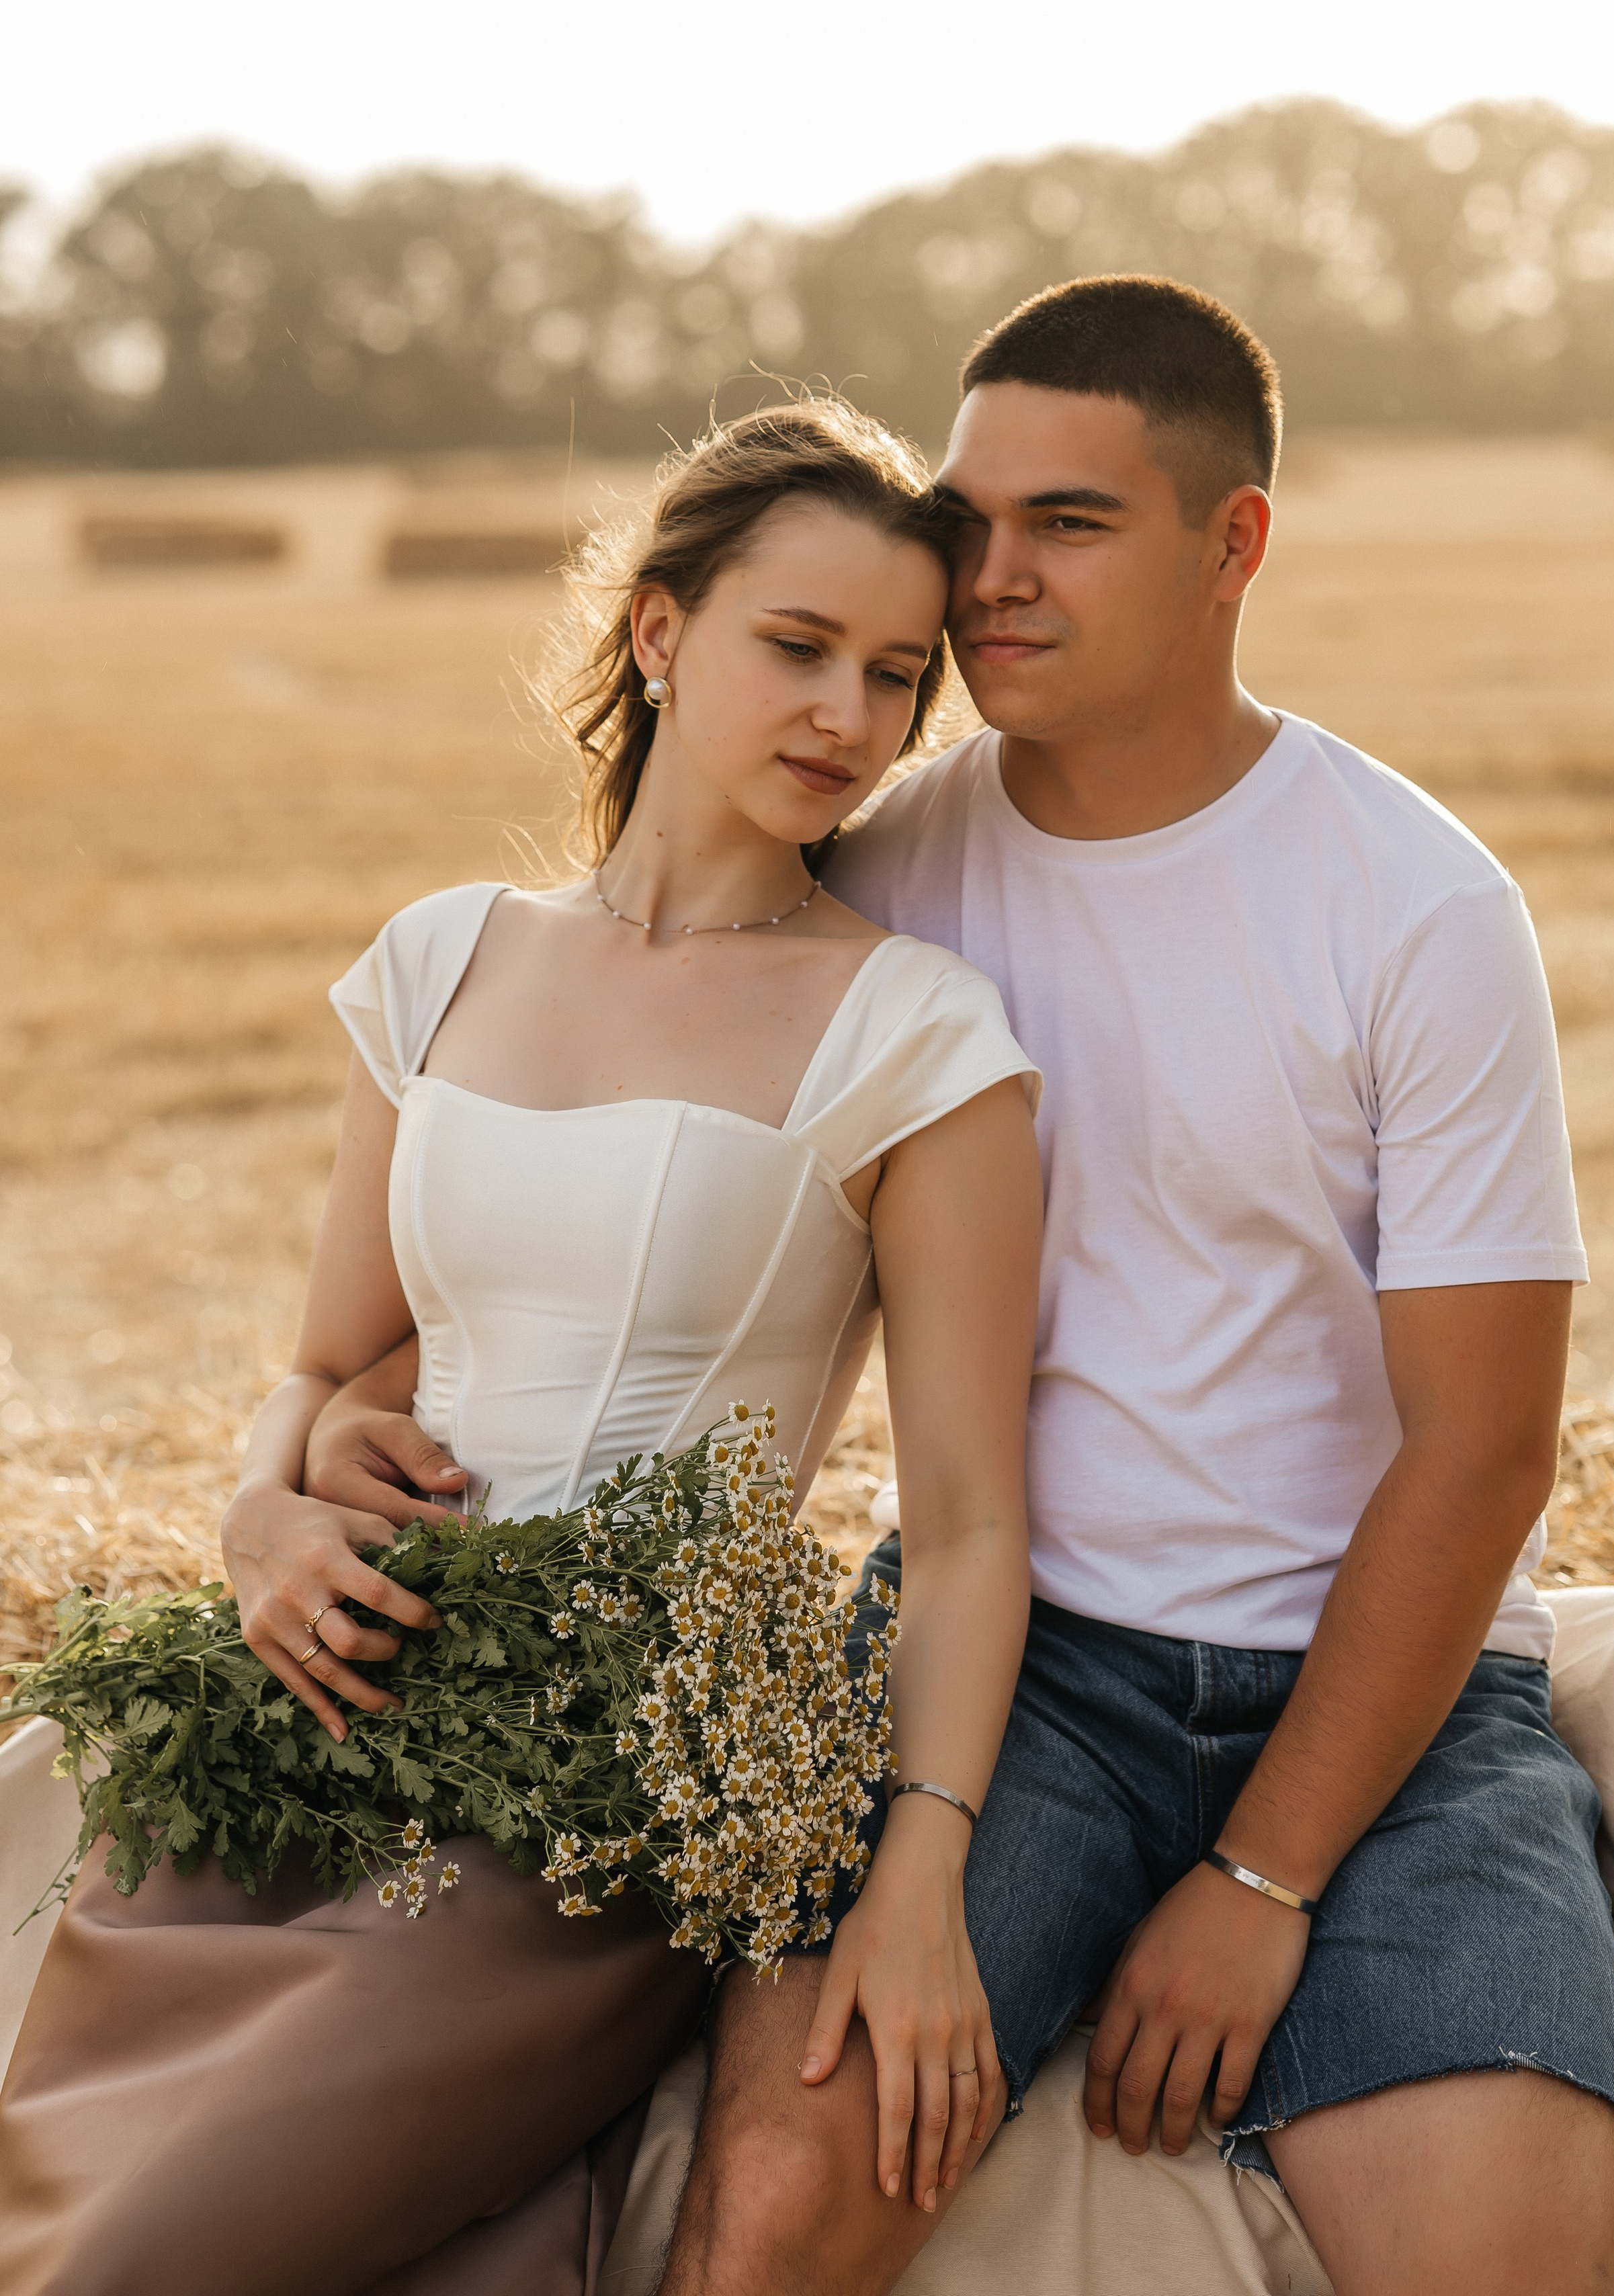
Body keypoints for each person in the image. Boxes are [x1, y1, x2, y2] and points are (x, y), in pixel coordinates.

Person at [632, 278, 1614, 2296]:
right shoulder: (886, 866)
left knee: (1515, 2268)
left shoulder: (1416, 907)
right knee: (769, 2221)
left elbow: (1486, 1446)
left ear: (1233, 543)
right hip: (1007, 1674)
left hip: (1403, 1705)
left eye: (1069, 526)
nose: (985, 583)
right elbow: (620, 1154)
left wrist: (1265, 1872)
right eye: (972, 518)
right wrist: (328, 1436)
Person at [0, 403, 1044, 2296]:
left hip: (618, 1772)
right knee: (64, 2171)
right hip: (324, 1701)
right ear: (660, 634)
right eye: (795, 647)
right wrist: (262, 1516)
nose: (850, 717)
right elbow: (330, 1367)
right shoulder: (442, 957)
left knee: (155, 2243)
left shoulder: (913, 1033)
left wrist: (922, 1866)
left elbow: (971, 1520)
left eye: (900, 677)